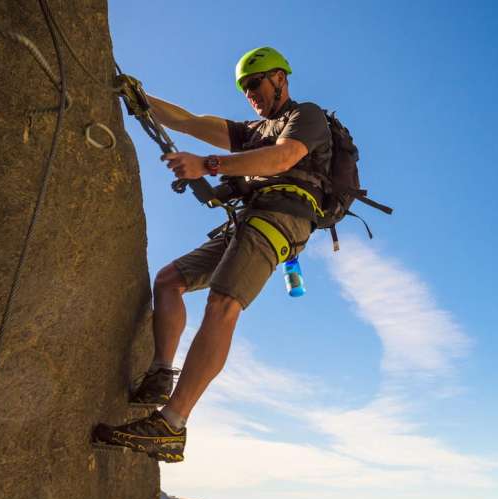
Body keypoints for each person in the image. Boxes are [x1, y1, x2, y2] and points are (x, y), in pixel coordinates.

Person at [94, 47, 331, 462]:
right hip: (251, 218)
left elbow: (284, 157)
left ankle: (172, 424)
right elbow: (188, 121)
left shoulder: (305, 116)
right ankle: (161, 375)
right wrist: (137, 96)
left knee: (223, 303)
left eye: (255, 84)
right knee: (169, 281)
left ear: (280, 78)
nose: (250, 94)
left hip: (284, 216)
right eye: (244, 88)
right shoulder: (254, 131)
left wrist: (208, 165)